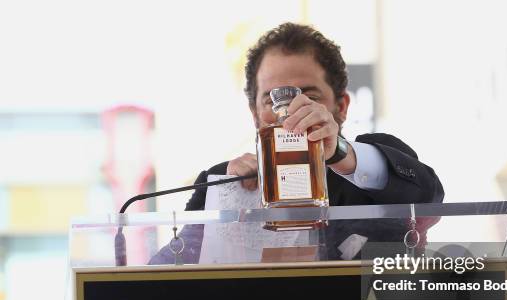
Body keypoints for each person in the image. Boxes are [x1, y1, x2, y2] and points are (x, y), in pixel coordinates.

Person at [150, 22, 444, 265]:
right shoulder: (220, 181)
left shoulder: (373, 159)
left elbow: (430, 198)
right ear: (254, 113)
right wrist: (229, 199)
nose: (290, 111)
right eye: (272, 100)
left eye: (310, 97)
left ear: (341, 106)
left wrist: (340, 152)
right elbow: (177, 273)